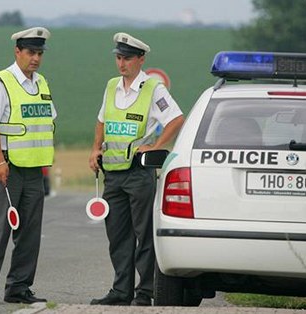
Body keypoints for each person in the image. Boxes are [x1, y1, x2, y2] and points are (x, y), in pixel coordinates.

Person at [88, 32, 184, 306]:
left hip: (138, 174)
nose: (122, 63)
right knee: (117, 236)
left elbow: (176, 119)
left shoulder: (154, 89)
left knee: (144, 235)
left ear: (141, 59)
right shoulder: (111, 86)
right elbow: (101, 120)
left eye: (127, 58)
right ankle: (120, 292)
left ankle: (145, 292)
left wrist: (156, 146)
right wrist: (95, 148)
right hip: (113, 174)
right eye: (119, 58)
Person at [0, 27, 56, 305]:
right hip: (5, 167)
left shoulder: (41, 83)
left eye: (40, 53)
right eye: (31, 52)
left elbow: (45, 123)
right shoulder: (1, 81)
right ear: (17, 52)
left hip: (33, 170)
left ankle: (19, 287)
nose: (35, 58)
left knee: (30, 233)